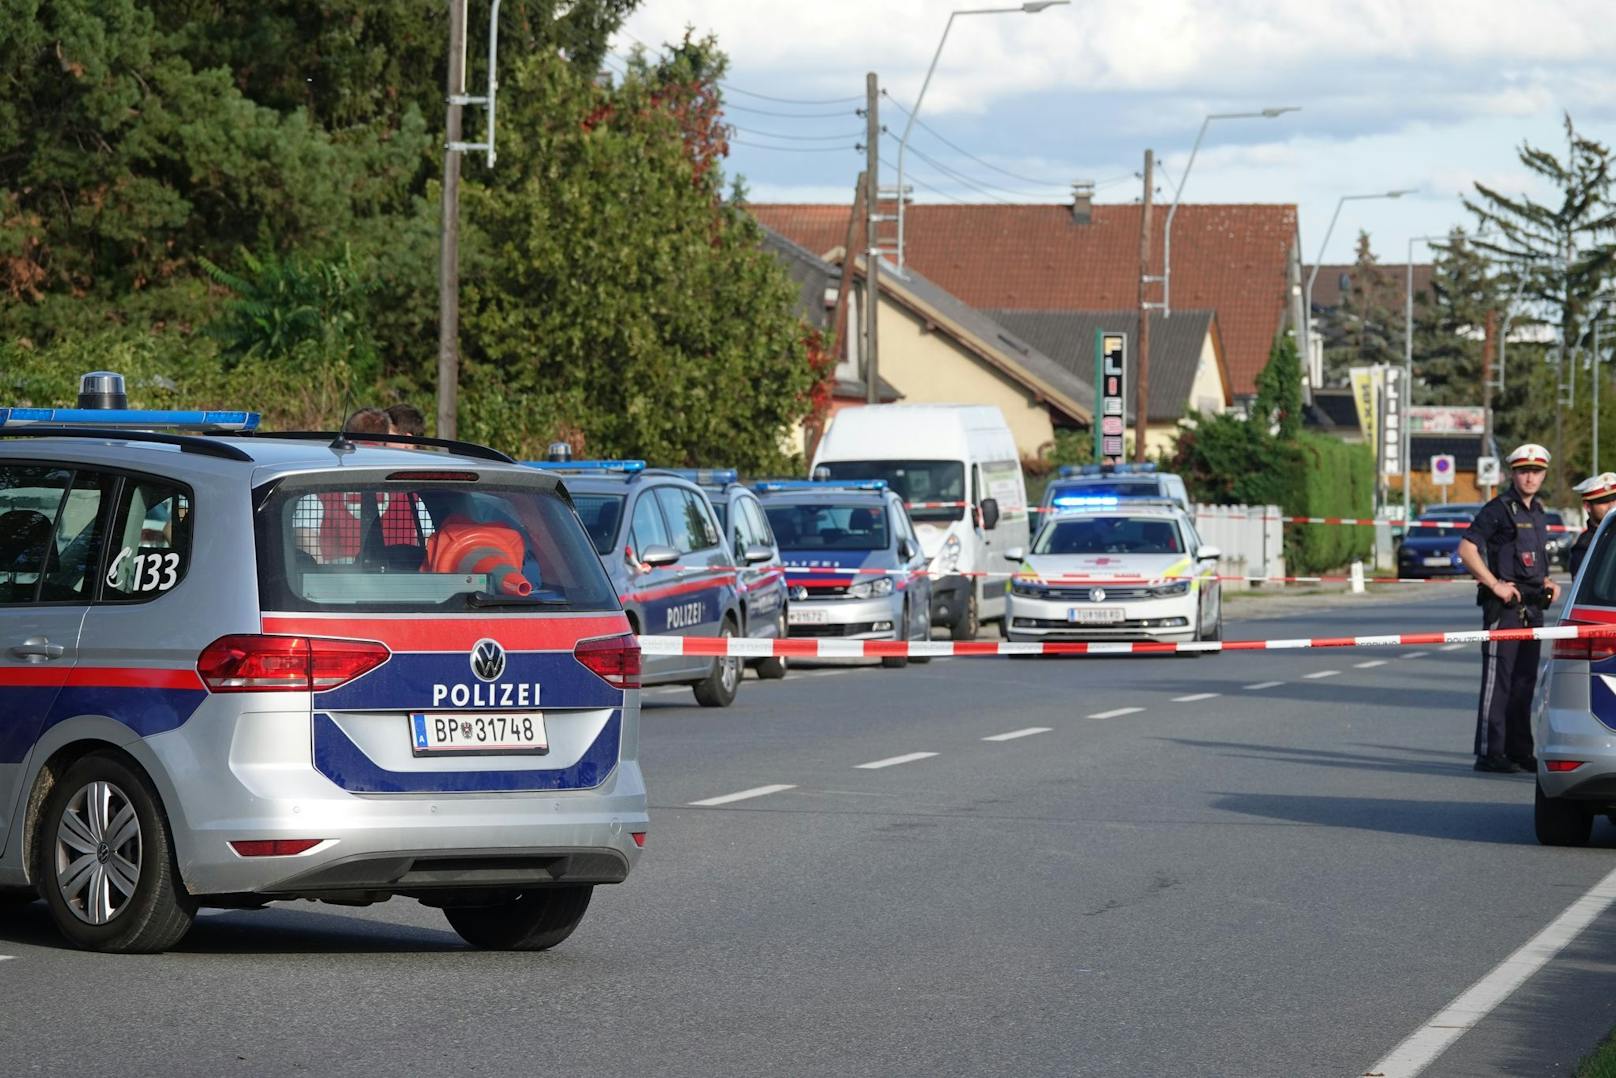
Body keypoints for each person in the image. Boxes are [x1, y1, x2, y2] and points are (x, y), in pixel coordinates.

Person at [1456, 443, 1560, 774]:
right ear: (1513, 474)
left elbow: (1533, 559)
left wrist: (1548, 581)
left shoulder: (1538, 511)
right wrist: (1494, 584)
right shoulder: (1498, 508)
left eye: (1536, 471)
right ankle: (1490, 751)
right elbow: (1467, 549)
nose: (1530, 477)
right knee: (1498, 681)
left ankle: (1518, 750)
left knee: (1524, 682)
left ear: (1543, 474)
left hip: (1533, 608)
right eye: (1523, 471)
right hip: (1506, 608)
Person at [1567, 472, 1616, 577]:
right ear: (1587, 506)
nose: (1612, 506)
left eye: (1614, 499)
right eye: (1604, 501)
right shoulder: (1585, 546)